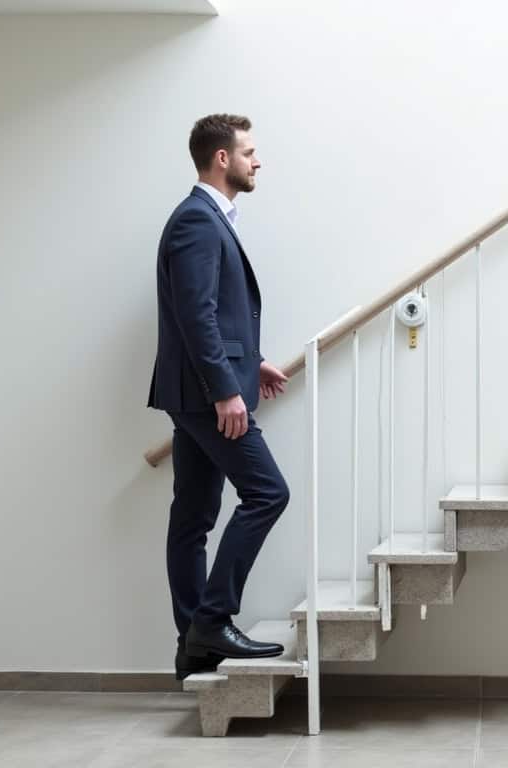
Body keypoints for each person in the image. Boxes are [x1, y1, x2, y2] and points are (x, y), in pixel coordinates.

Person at [147, 114, 291, 680]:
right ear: (222, 159)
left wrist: (250, 363)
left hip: (200, 391)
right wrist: (226, 390)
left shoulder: (209, 219)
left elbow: (212, 312)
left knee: (193, 517)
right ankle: (212, 619)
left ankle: (193, 643)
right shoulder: (197, 221)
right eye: (250, 152)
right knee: (267, 493)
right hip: (206, 397)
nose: (258, 161)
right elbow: (194, 315)